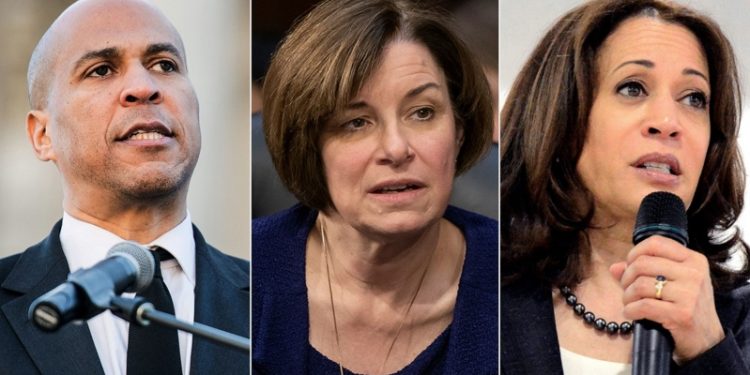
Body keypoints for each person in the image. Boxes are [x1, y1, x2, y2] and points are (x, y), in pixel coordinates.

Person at [501, 0, 750, 373]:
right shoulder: (484, 289)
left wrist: (708, 349)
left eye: (694, 98)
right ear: (565, 118)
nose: (668, 121)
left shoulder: (739, 321)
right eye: (633, 88)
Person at [0, 1, 249, 374]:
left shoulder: (274, 302)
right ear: (43, 135)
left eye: (165, 65)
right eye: (100, 70)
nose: (143, 87)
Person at [252, 0, 498, 373]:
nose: (396, 149)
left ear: (459, 132)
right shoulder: (241, 275)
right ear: (308, 145)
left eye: (423, 112)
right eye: (356, 122)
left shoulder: (519, 278)